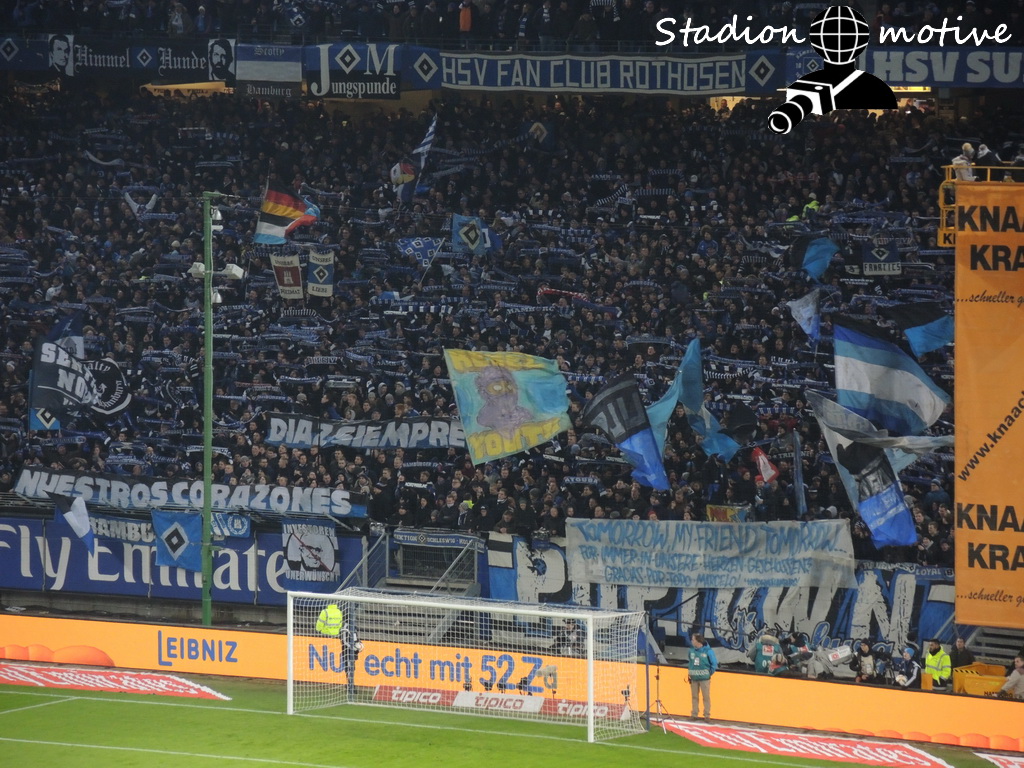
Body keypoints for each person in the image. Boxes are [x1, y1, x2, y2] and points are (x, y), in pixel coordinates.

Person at [688, 633, 717, 719]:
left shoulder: (708, 651)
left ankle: (707, 715)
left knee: (706, 697)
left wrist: (708, 673)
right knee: (694, 697)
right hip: (694, 678)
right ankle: (694, 714)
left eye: (693, 640)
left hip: (704, 679)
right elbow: (690, 662)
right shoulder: (691, 650)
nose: (692, 641)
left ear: (698, 641)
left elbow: (714, 664)